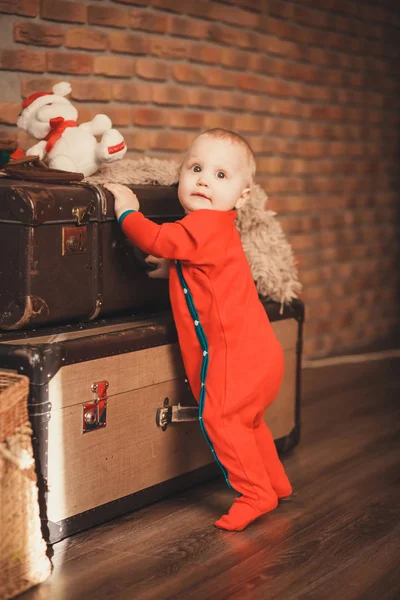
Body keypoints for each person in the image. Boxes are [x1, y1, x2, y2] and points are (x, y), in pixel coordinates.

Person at [104, 128, 292, 531]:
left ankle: (254, 494)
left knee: (222, 421)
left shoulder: (203, 225)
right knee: (251, 423)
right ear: (181, 175)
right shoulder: (220, 231)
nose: (204, 179)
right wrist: (171, 270)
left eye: (221, 176)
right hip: (261, 355)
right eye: (196, 168)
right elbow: (207, 274)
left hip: (236, 360)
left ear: (242, 197)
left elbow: (155, 236)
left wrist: (126, 211)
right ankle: (275, 483)